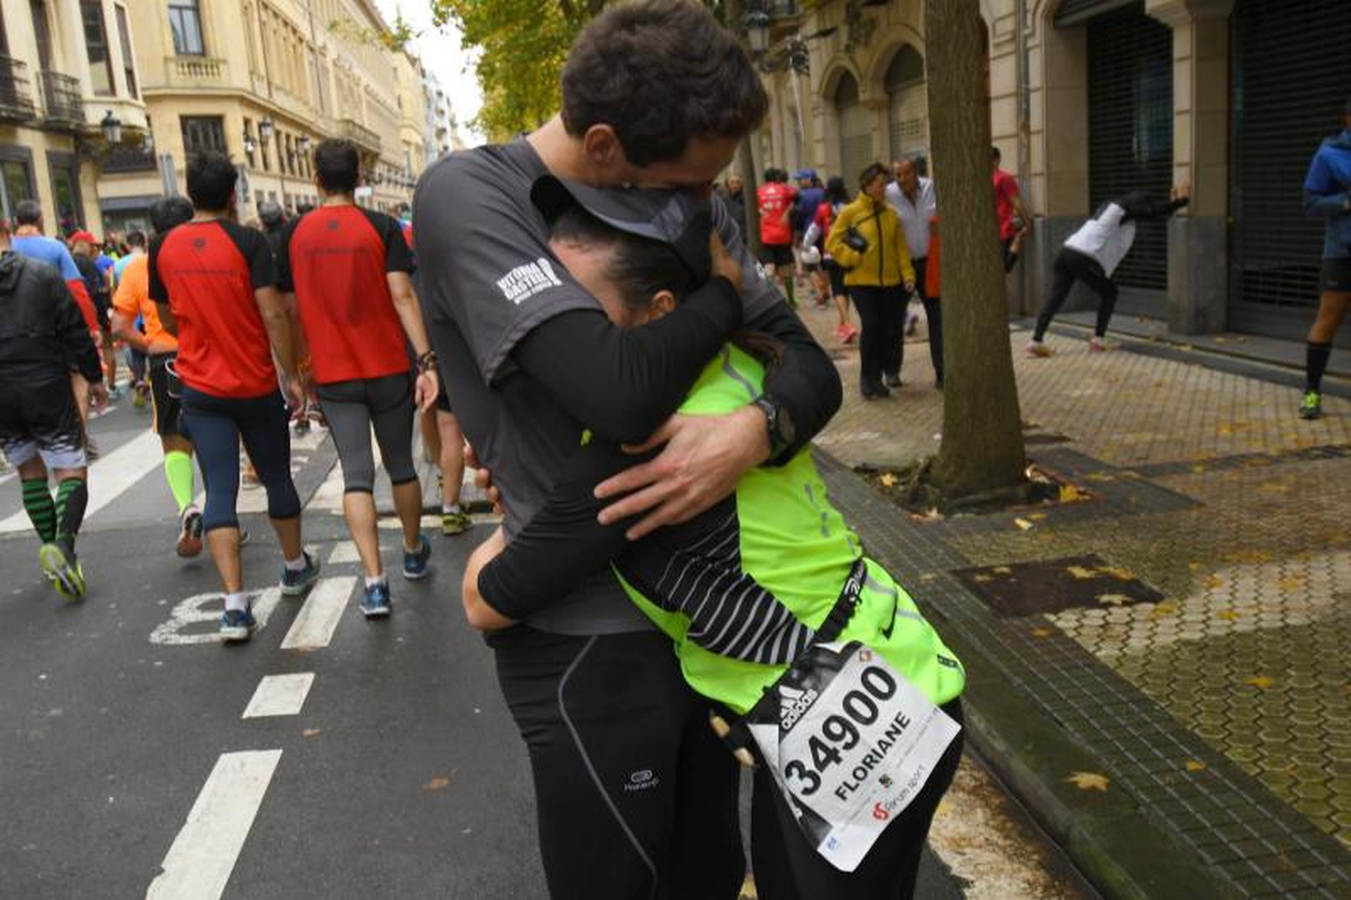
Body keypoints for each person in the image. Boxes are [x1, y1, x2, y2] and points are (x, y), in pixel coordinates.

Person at [413, 1, 842, 895]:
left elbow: (808, 365)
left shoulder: (691, 206)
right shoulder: (473, 195)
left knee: (710, 875)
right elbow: (618, 393)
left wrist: (749, 434)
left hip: (712, 623)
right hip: (584, 634)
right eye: (688, 181)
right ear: (603, 147)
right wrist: (720, 305)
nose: (702, 203)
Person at [461, 188, 965, 899]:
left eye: (579, 314)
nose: (557, 334)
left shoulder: (643, 440)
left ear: (662, 314)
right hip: (870, 677)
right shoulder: (736, 364)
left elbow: (491, 600)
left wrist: (505, 526)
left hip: (850, 717)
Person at [150, 152, 319, 642]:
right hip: (254, 383)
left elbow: (164, 319)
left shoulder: (164, 247)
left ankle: (234, 606)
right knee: (276, 477)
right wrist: (290, 374)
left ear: (190, 192)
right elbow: (273, 315)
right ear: (232, 194)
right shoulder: (249, 242)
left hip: (201, 387)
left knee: (219, 488)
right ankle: (293, 566)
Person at [277, 139, 436, 617]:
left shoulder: (293, 234)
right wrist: (426, 359)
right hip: (387, 365)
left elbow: (287, 309)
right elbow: (404, 295)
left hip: (333, 372)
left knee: (356, 476)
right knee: (402, 466)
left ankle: (373, 581)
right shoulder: (382, 227)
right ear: (360, 178)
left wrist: (295, 370)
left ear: (316, 179)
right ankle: (411, 551)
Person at [0, 216, 107, 597]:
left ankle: (52, 555)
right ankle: (62, 545)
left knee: (29, 471)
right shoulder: (42, 273)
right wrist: (94, 378)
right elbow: (75, 330)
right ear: (7, 231)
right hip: (45, 380)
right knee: (71, 471)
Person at [111, 196, 204, 557]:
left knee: (174, 440)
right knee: (215, 435)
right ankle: (226, 518)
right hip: (208, 353)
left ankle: (188, 507)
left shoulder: (138, 268)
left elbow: (118, 324)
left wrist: (148, 343)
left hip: (165, 360)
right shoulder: (202, 254)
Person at [1026, 186, 1189, 358]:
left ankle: (1035, 341)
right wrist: (1180, 202)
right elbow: (1152, 212)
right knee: (1110, 292)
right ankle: (1098, 339)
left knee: (1056, 298)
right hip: (1084, 256)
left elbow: (1152, 212)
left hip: (1067, 251)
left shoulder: (1111, 205)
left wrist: (1171, 203)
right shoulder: (1124, 208)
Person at [826, 162, 915, 399]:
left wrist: (907, 275)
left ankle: (879, 378)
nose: (883, 189)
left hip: (890, 282)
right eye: (879, 185)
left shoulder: (891, 214)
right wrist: (853, 257)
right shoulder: (850, 212)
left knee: (887, 330)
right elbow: (832, 243)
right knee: (872, 325)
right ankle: (867, 378)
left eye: (885, 185)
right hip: (860, 281)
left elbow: (901, 249)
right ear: (866, 185)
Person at [1298, 97, 1351, 420]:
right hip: (1342, 251)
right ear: (1347, 120)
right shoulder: (1330, 154)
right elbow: (1310, 203)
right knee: (1328, 319)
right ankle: (1312, 392)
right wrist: (1346, 202)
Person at [886, 158, 942, 387]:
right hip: (902, 266)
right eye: (897, 175)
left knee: (937, 318)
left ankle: (943, 372)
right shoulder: (888, 194)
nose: (901, 179)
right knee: (894, 319)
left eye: (905, 174)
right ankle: (891, 371)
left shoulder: (932, 188)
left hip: (930, 264)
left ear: (915, 172)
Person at [804, 176, 856, 344]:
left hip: (831, 254)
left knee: (838, 291)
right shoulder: (850, 207)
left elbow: (814, 230)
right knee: (844, 290)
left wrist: (806, 245)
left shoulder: (823, 209)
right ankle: (842, 325)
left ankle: (847, 323)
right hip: (848, 254)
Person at [69, 230, 118, 396]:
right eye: (92, 246)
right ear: (84, 245)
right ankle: (110, 386)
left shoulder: (66, 263)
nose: (94, 249)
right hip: (93, 315)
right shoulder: (90, 265)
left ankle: (87, 391)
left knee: (80, 356)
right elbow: (95, 293)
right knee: (107, 348)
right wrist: (103, 318)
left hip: (73, 318)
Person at [112, 230, 151, 408]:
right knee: (155, 351)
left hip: (131, 316)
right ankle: (153, 381)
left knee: (137, 352)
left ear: (127, 245)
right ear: (144, 243)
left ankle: (139, 379)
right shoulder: (151, 259)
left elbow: (114, 291)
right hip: (151, 314)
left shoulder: (118, 265)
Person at [758, 167, 798, 307]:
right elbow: (798, 195)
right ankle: (791, 300)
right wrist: (788, 210)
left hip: (766, 235)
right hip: (783, 234)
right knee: (786, 269)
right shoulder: (784, 189)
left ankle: (767, 298)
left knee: (767, 268)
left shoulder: (759, 191)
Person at [991, 146, 1030, 272]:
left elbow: (1016, 202)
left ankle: (1018, 238)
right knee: (1000, 268)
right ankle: (1018, 238)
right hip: (995, 230)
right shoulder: (993, 179)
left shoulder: (1003, 178)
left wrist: (1026, 222)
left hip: (1004, 228)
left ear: (997, 160)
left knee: (1003, 268)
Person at [716, 173, 748, 240]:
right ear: (727, 184)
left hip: (744, 236)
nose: (735, 185)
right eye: (732, 182)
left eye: (738, 182)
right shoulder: (723, 200)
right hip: (729, 236)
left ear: (741, 185)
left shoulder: (747, 200)